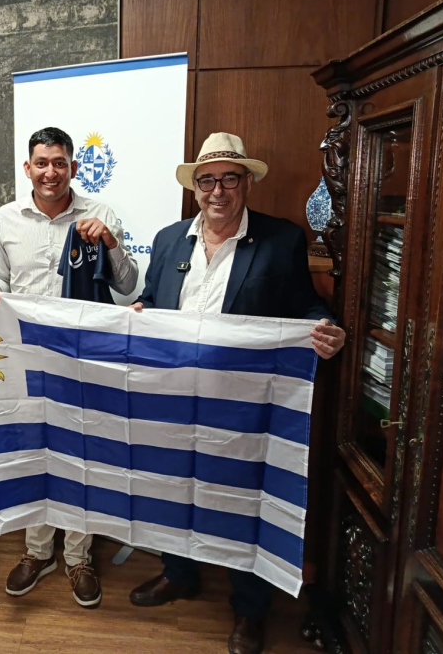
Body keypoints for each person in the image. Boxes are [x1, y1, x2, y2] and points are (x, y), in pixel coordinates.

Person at [125, 132, 346, 654]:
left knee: (245, 499)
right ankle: (179, 572)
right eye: (207, 180)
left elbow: (305, 307)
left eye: (229, 178)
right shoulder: (168, 239)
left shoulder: (280, 240)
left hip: (243, 403)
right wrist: (139, 313)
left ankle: (249, 609)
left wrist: (327, 328)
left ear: (246, 182)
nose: (217, 190)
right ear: (195, 187)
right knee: (172, 485)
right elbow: (152, 300)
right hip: (174, 396)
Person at [0, 126, 139, 608]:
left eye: (59, 162)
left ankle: (78, 556)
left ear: (73, 168)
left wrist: (109, 243)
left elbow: (127, 288)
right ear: (28, 168)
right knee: (35, 453)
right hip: (25, 359)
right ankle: (37, 551)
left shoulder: (99, 215)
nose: (50, 171)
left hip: (84, 360)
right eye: (41, 162)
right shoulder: (5, 218)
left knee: (79, 456)